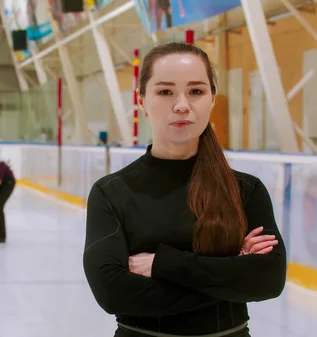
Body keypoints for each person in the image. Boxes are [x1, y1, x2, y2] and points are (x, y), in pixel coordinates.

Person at [82, 42, 286, 337]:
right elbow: (113, 293)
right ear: (141, 101)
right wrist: (230, 275)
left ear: (212, 100)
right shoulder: (112, 193)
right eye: (165, 92)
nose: (181, 105)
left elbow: (269, 280)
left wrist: (164, 264)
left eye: (196, 91)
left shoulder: (246, 190)